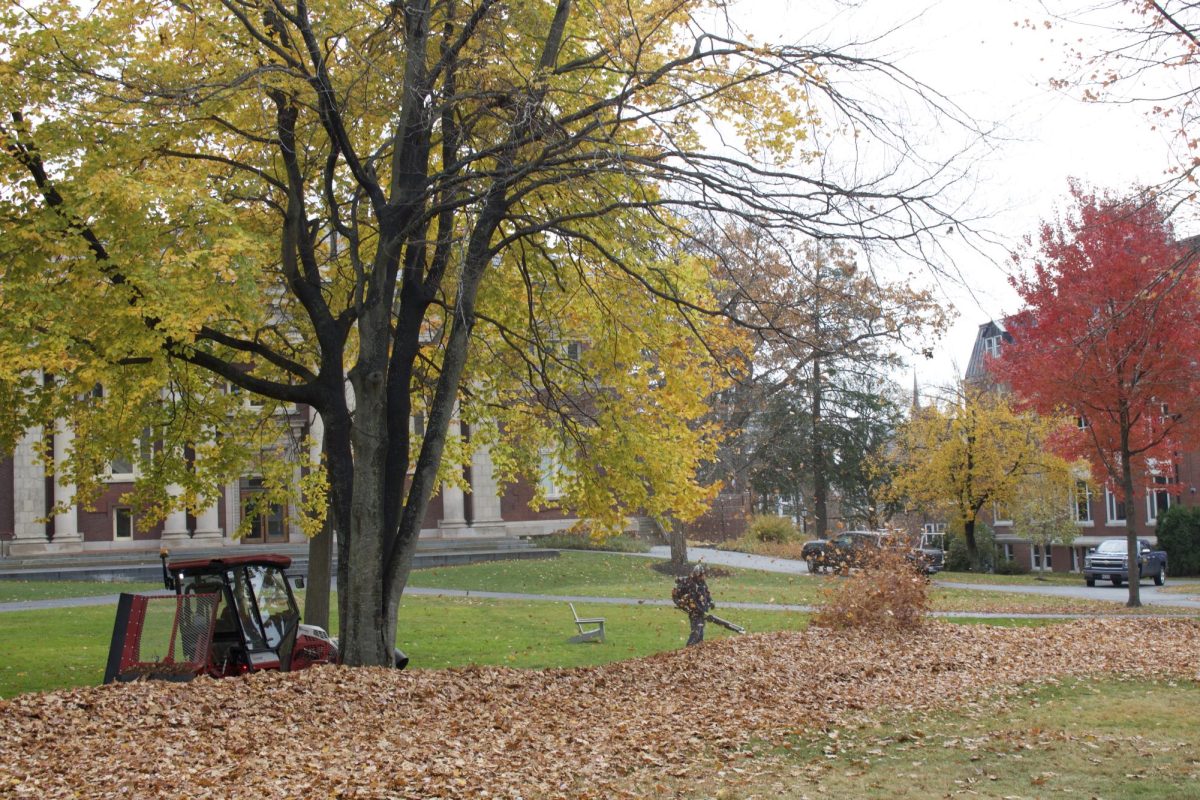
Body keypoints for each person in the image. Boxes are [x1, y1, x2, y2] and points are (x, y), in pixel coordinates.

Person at [672, 562, 714, 646]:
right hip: (694, 612)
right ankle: (687, 650)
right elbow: (677, 596)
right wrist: (681, 603)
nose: (704, 576)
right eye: (702, 574)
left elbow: (707, 594)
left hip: (702, 611)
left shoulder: (702, 583)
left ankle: (696, 654)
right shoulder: (688, 584)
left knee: (700, 634)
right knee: (696, 633)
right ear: (698, 575)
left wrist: (711, 602)